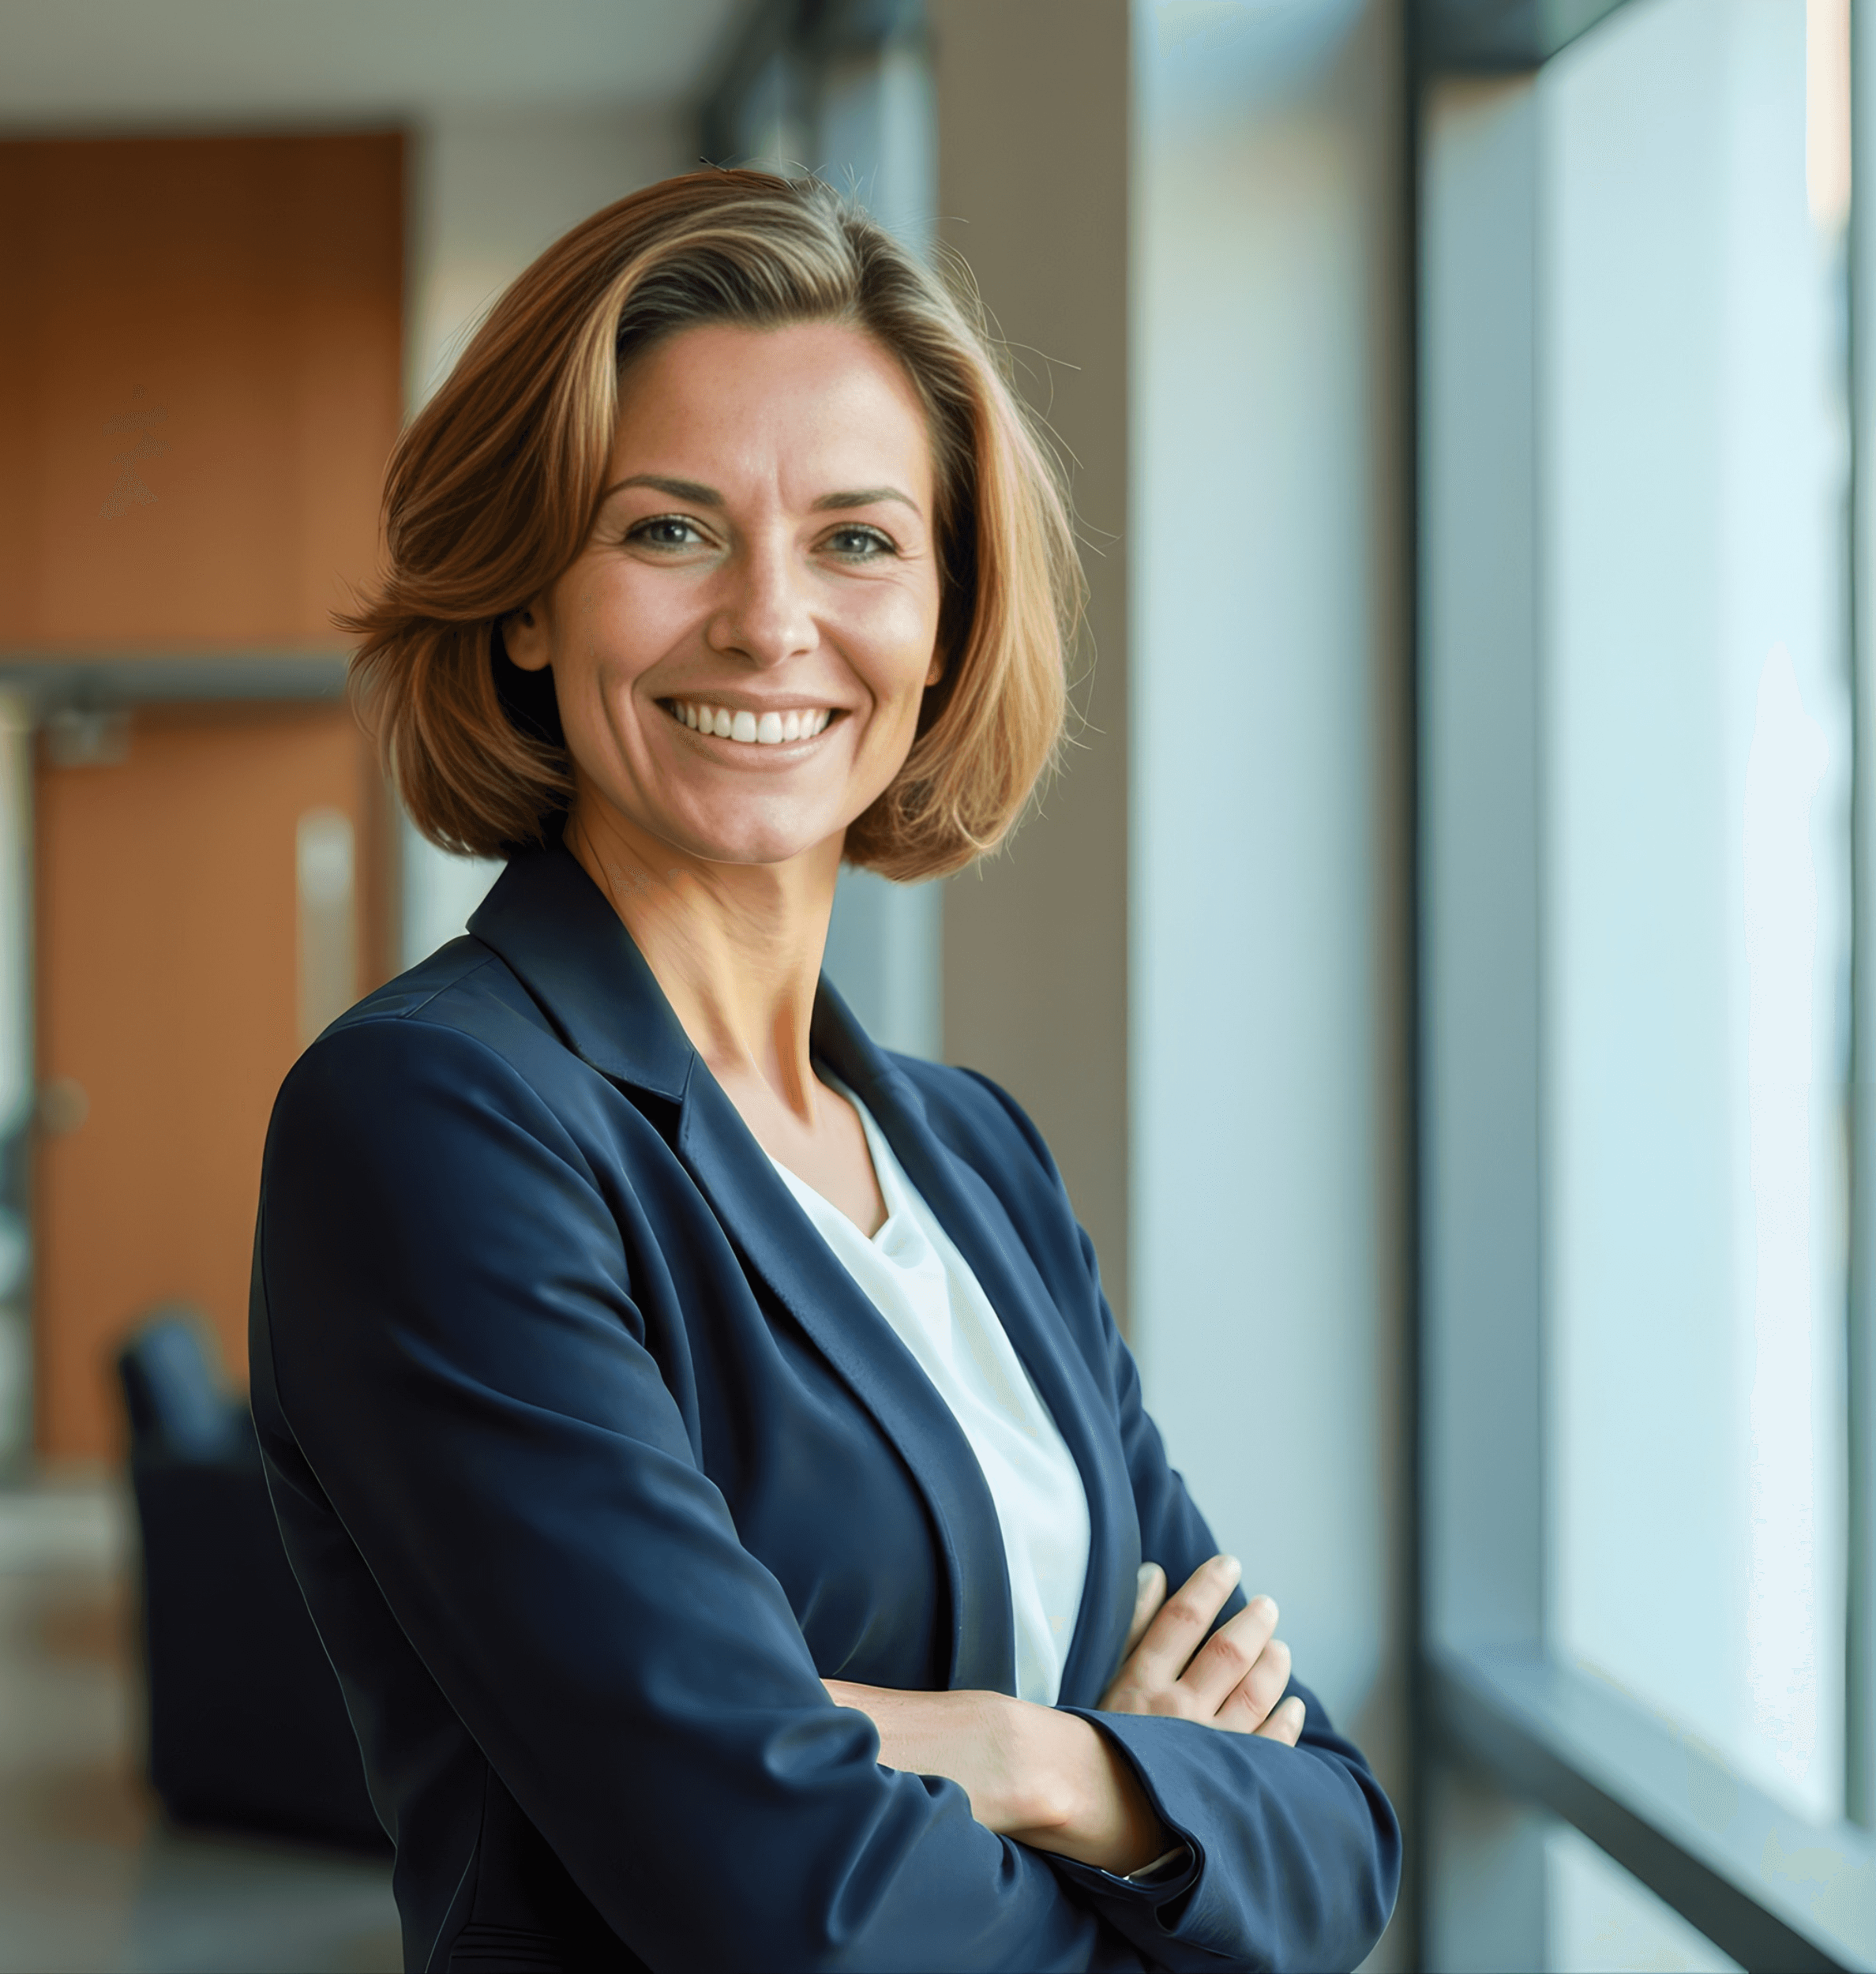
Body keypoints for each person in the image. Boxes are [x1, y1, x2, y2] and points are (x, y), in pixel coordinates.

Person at [251, 170, 1399, 1971]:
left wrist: (1023, 1756)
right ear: (529, 600)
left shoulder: (972, 1154)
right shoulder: (436, 1124)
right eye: (669, 529)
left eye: (858, 541)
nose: (769, 622)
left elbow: (1332, 1834)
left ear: (945, 620)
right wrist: (1152, 1812)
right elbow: (791, 1913)